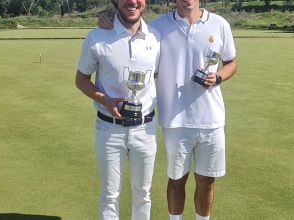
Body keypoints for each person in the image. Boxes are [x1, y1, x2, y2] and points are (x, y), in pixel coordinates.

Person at [99, 0, 237, 218]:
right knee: (176, 180)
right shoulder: (157, 26)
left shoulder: (220, 24)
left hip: (211, 119)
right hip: (174, 119)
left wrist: (218, 76)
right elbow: (130, 29)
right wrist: (107, 16)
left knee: (207, 181)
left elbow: (231, 62)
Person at [75, 0, 160, 219]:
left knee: (143, 193)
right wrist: (105, 100)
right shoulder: (97, 36)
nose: (132, 1)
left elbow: (157, 76)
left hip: (145, 128)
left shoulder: (156, 36)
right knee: (110, 194)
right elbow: (82, 79)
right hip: (109, 129)